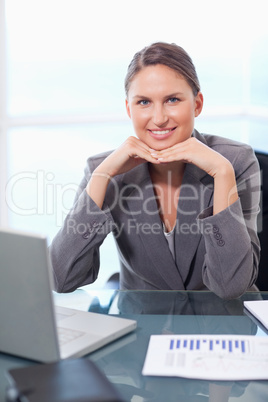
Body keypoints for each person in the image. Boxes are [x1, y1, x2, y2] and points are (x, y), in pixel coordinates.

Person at [50, 42, 261, 300]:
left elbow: (231, 286)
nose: (159, 117)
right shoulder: (104, 170)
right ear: (129, 108)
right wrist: (101, 178)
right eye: (144, 102)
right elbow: (61, 278)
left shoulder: (234, 161)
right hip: (143, 326)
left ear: (197, 104)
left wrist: (222, 173)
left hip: (220, 328)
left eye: (172, 100)